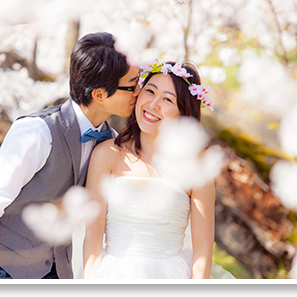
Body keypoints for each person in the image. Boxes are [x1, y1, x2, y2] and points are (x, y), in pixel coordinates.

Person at [0, 32, 140, 279]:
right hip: (4, 271)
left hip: (59, 271)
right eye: (132, 86)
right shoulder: (37, 131)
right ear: (99, 94)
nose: (139, 91)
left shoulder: (110, 142)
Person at [83, 60, 235, 279]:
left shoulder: (196, 169)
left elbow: (202, 252)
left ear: (184, 113)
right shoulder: (107, 154)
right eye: (150, 91)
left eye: (167, 99)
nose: (153, 104)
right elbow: (92, 238)